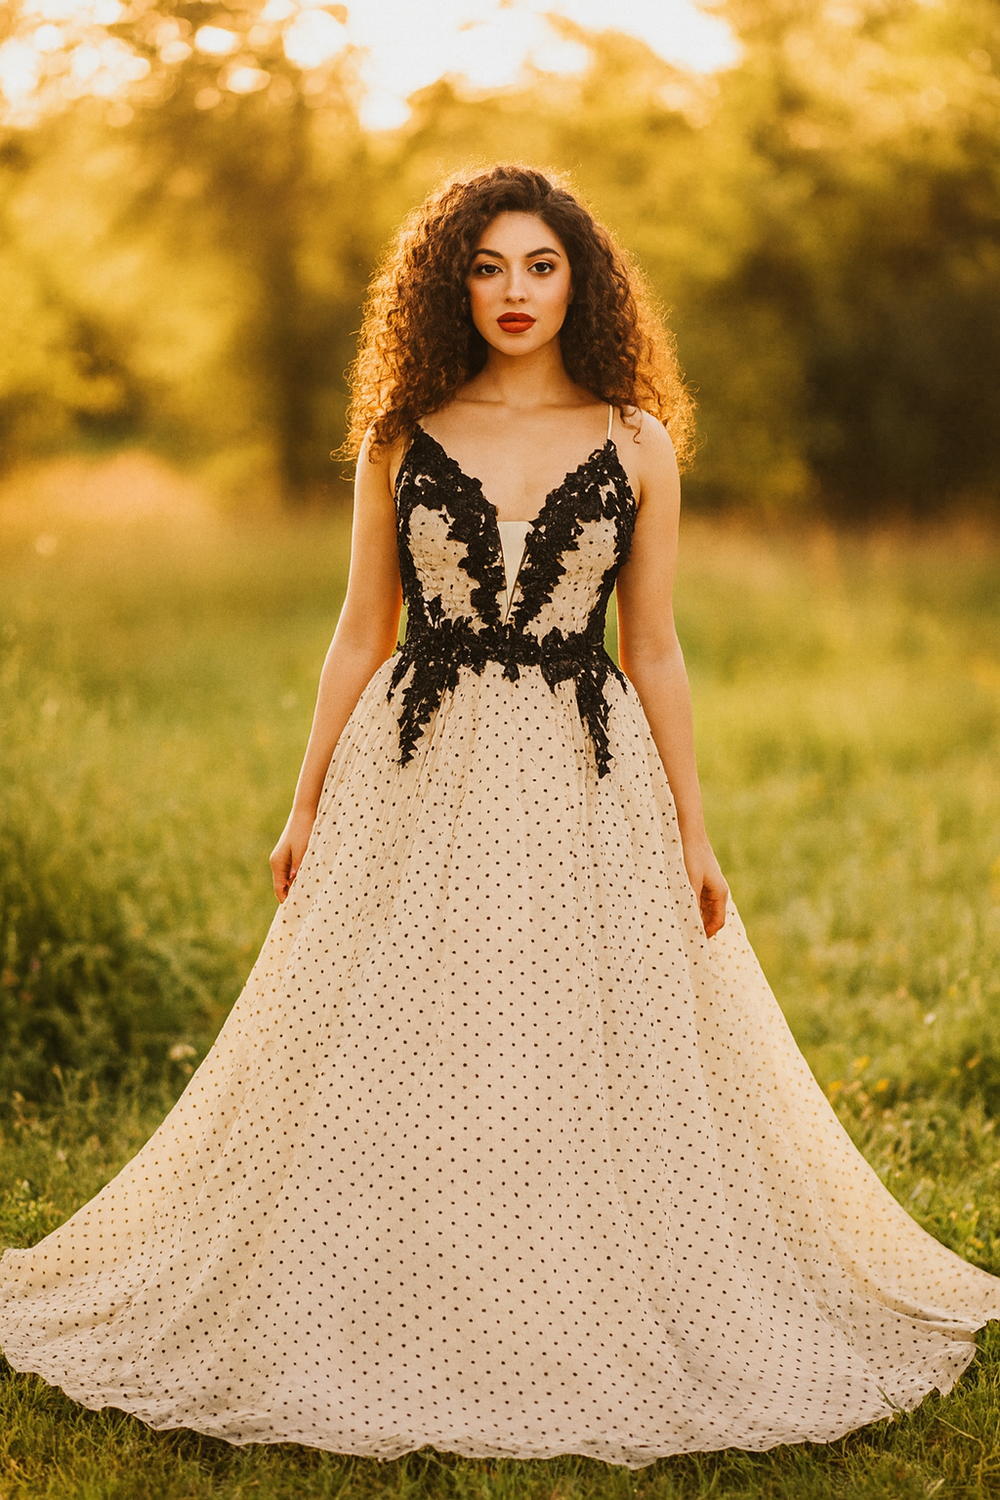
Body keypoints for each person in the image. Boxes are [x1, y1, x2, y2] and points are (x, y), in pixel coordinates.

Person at [0, 163, 997, 1468]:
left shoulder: (636, 438)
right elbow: (361, 635)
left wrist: (696, 834)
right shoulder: (402, 433)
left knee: (572, 1027)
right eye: (486, 265)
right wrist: (304, 805)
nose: (514, 291)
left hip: (587, 774)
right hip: (415, 768)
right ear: (447, 282)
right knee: (408, 1025)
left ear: (579, 279)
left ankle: (568, 1285)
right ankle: (394, 1286)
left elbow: (659, 649)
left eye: (540, 265)